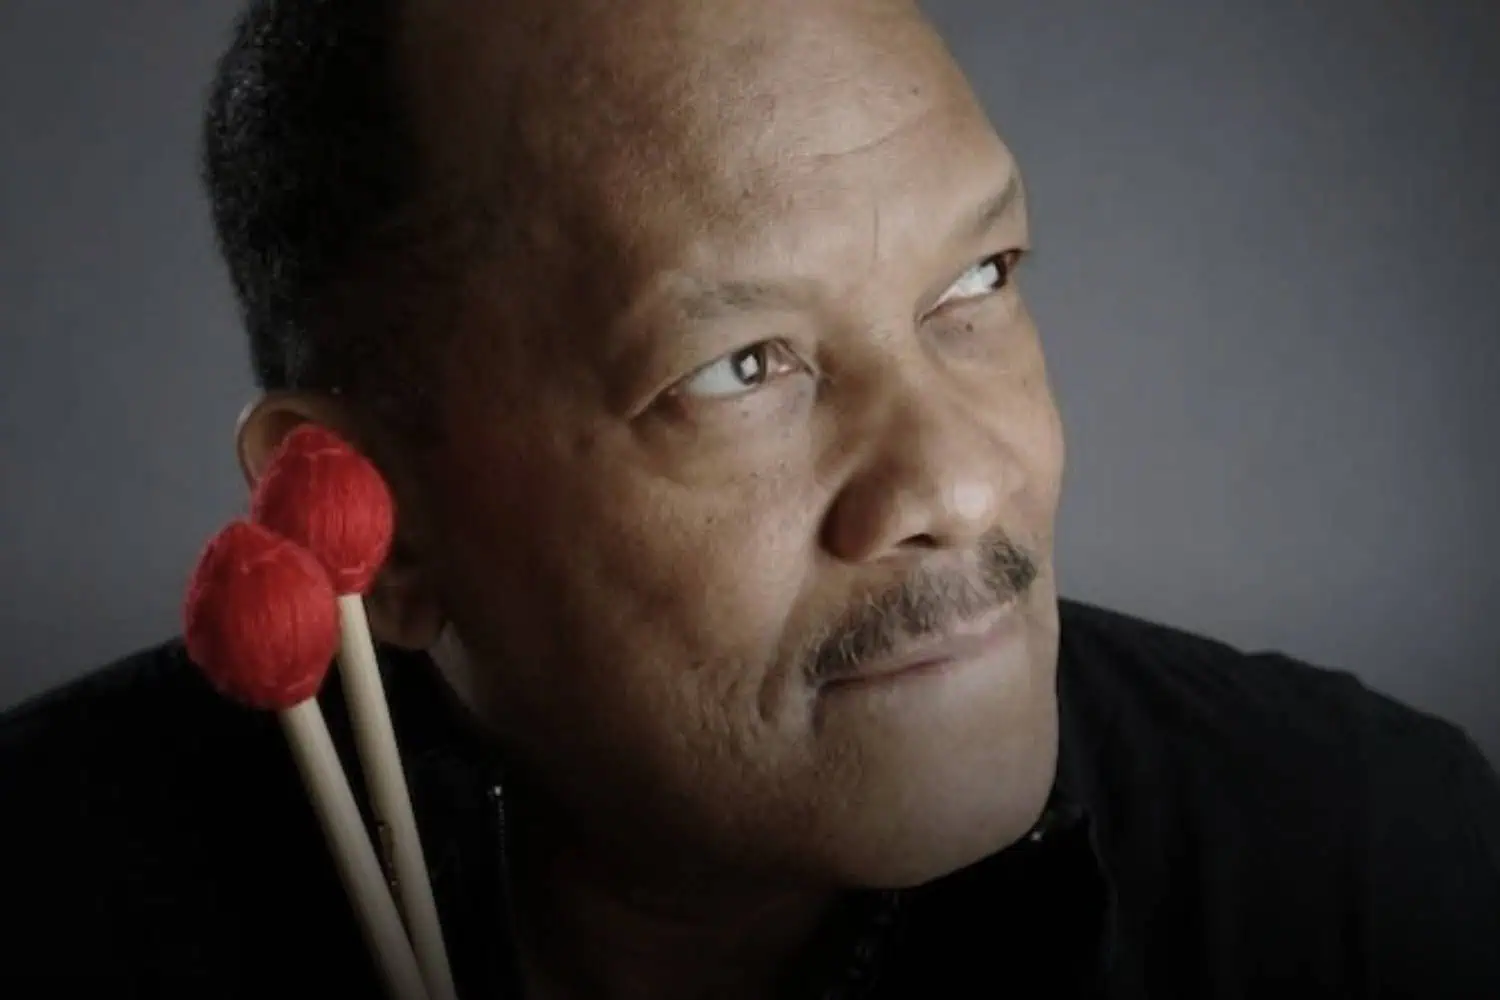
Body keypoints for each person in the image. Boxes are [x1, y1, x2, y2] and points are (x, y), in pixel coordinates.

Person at [3, 0, 1497, 996]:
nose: (966, 479)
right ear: (377, 521)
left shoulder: (1368, 877)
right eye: (740, 367)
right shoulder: (49, 904)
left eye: (977, 281)